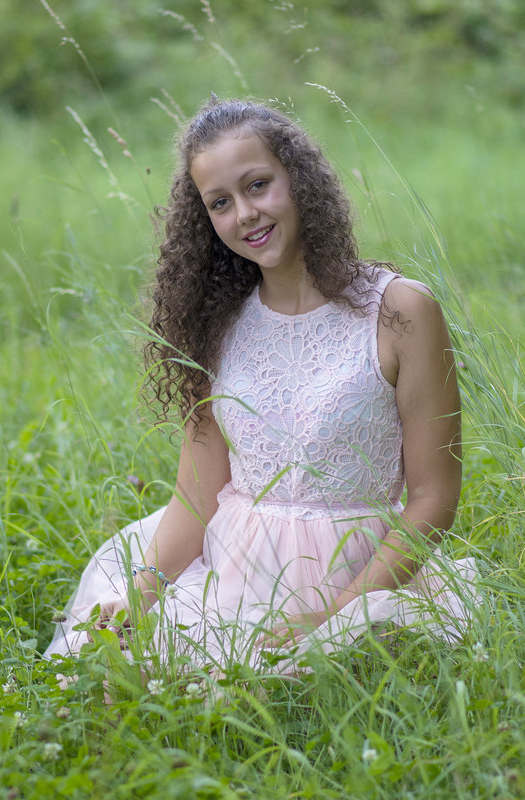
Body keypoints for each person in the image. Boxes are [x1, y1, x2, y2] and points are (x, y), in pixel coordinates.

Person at [44, 97, 476, 673]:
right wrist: (141, 596)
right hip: (234, 569)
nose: (245, 214)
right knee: (132, 673)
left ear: (298, 180)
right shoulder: (213, 326)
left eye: (257, 185)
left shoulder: (399, 311)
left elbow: (433, 498)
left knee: (317, 684)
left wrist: (336, 615)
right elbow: (197, 496)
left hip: (364, 575)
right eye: (220, 202)